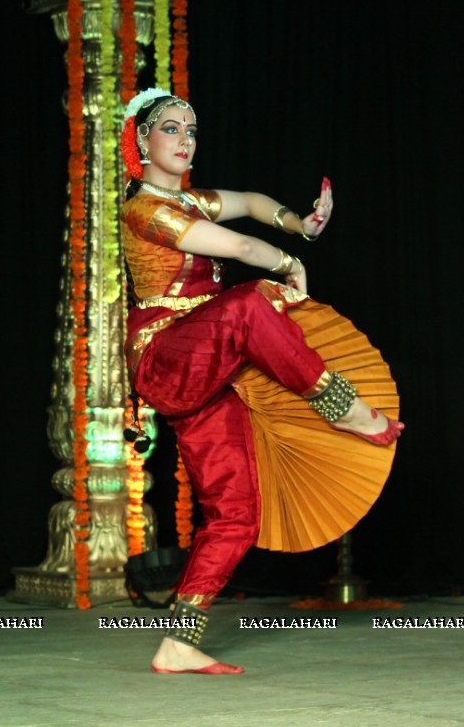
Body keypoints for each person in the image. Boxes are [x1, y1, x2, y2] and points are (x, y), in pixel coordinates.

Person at [119, 89, 403, 675]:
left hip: (207, 364)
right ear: (142, 142)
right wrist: (287, 263)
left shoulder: (193, 200)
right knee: (250, 305)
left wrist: (299, 222)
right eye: (170, 129)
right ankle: (343, 407)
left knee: (236, 510)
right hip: (164, 355)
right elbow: (242, 246)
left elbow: (248, 203)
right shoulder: (145, 211)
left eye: (191, 130)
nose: (185, 140)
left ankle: (178, 641)